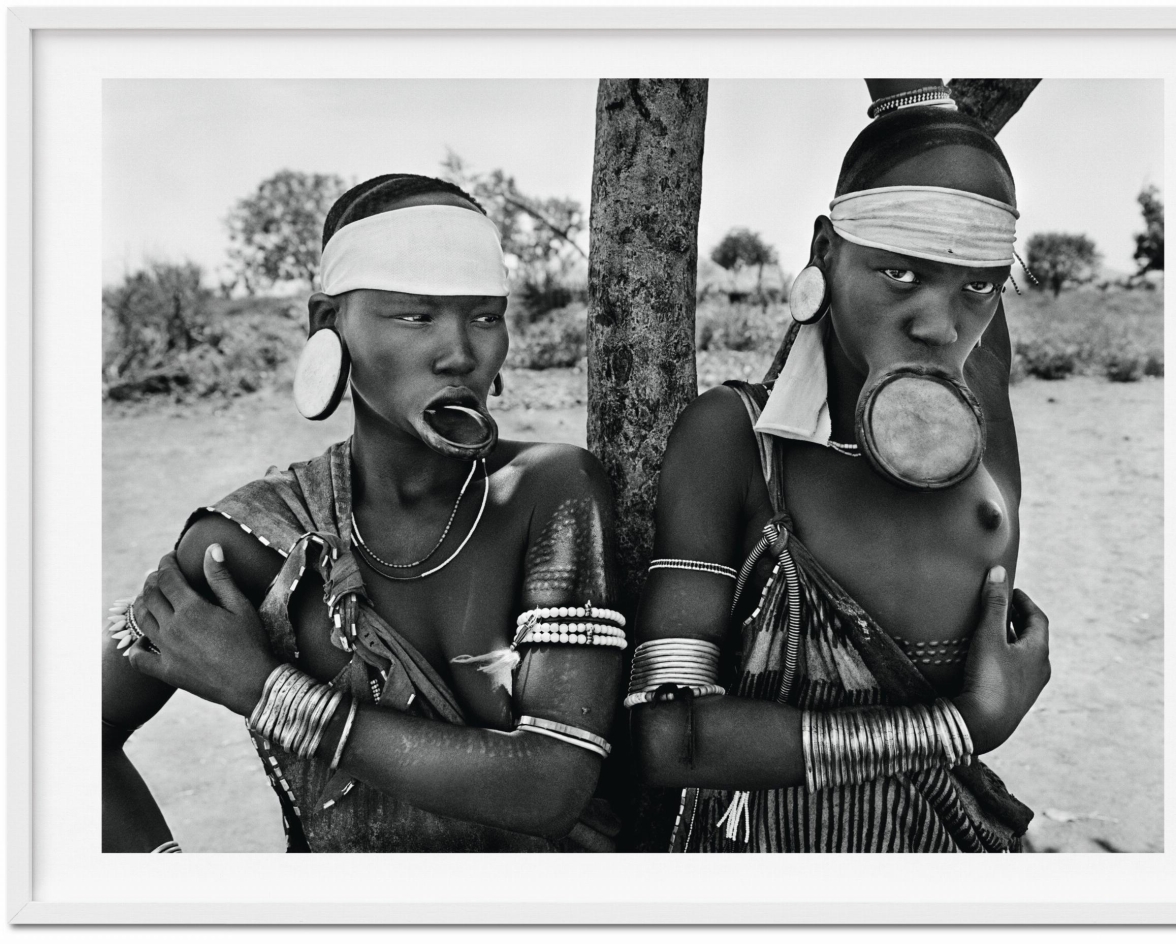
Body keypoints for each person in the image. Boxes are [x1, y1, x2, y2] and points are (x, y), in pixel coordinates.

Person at [102, 174, 624, 853]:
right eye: (416, 315)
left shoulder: (549, 490)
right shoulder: (258, 542)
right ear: (328, 325)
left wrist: (262, 690)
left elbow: (552, 785)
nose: (460, 352)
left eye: (486, 315)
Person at [628, 82, 1051, 852]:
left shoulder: (981, 420)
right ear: (826, 250)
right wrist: (962, 726)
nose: (937, 324)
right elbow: (670, 736)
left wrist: (919, 99)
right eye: (899, 273)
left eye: (978, 286)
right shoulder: (738, 441)